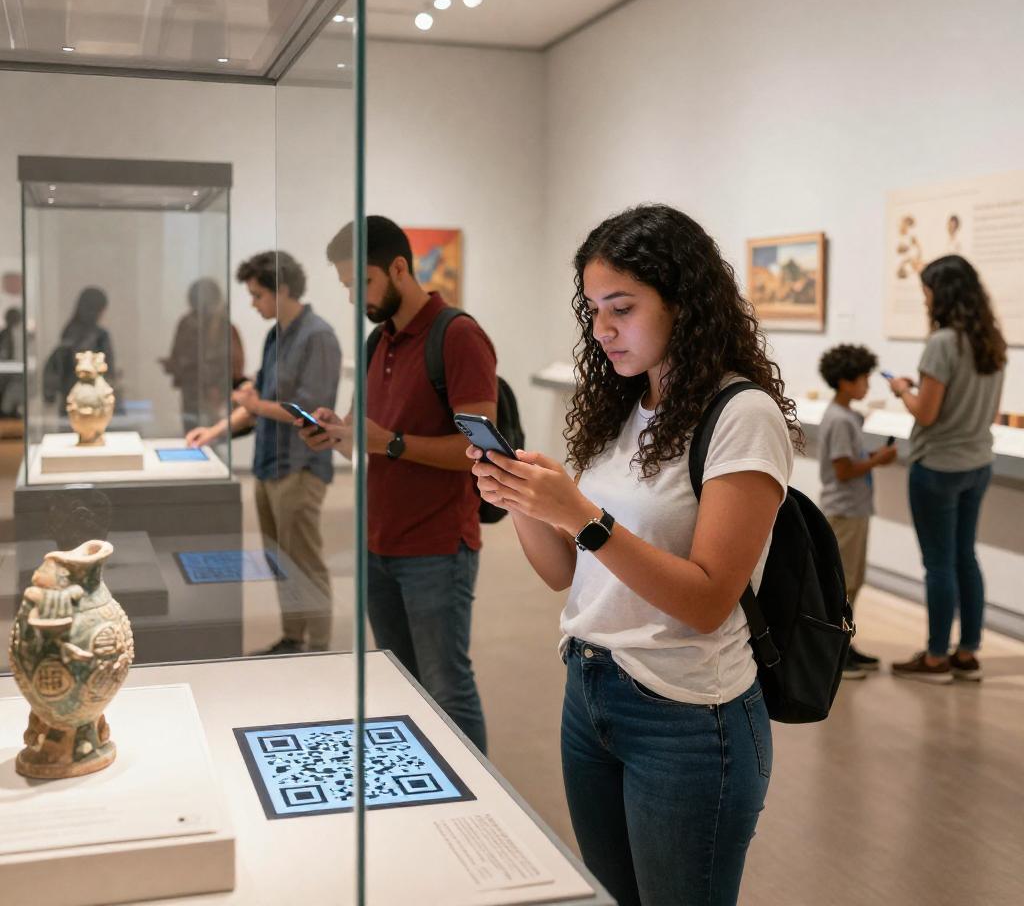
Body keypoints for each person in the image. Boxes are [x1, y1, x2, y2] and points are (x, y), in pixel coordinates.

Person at [470, 204, 797, 906]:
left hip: (687, 713)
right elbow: (569, 575)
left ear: (684, 302)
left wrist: (581, 516)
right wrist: (528, 505)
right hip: (589, 690)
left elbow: (709, 600)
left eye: (621, 307)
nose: (602, 329)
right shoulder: (623, 405)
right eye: (592, 310)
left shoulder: (742, 417)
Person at [298, 216, 496, 754]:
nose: (355, 296)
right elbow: (361, 433)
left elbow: (482, 451)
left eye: (361, 282)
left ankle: (476, 806)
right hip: (377, 542)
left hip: (437, 547)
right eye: (346, 287)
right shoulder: (373, 343)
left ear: (399, 268)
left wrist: (389, 442)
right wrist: (335, 432)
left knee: (448, 688)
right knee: (400, 687)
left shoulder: (458, 336)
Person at [188, 252, 341, 654]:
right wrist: (216, 431)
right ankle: (293, 638)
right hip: (270, 464)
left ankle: (320, 646)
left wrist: (254, 407)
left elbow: (310, 412)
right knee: (280, 559)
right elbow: (259, 398)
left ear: (283, 289)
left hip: (301, 467)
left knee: (305, 559)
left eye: (258, 295)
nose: (254, 303)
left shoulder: (318, 336)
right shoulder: (277, 335)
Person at [888, 255, 1006, 683]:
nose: (925, 299)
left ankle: (936, 657)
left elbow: (928, 412)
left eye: (927, 291)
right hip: (978, 463)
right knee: (965, 557)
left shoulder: (942, 343)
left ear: (943, 293)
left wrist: (903, 389)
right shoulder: (990, 342)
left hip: (937, 468)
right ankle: (967, 652)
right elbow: (988, 411)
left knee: (938, 564)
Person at [817, 344, 897, 679]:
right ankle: (835, 652)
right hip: (844, 511)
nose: (867, 385)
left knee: (852, 582)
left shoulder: (847, 416)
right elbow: (844, 469)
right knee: (843, 585)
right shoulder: (840, 420)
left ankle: (845, 645)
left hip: (854, 510)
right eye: (864, 378)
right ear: (847, 382)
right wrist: (878, 460)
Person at [161, 277, 245, 433]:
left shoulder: (223, 325)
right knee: (194, 434)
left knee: (212, 435)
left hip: (215, 393)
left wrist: (217, 387)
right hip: (192, 391)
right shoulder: (186, 323)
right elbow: (178, 356)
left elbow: (234, 364)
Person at [44, 287, 115, 407]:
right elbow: (108, 371)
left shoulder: (69, 332)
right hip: (92, 399)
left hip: (70, 398)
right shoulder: (100, 336)